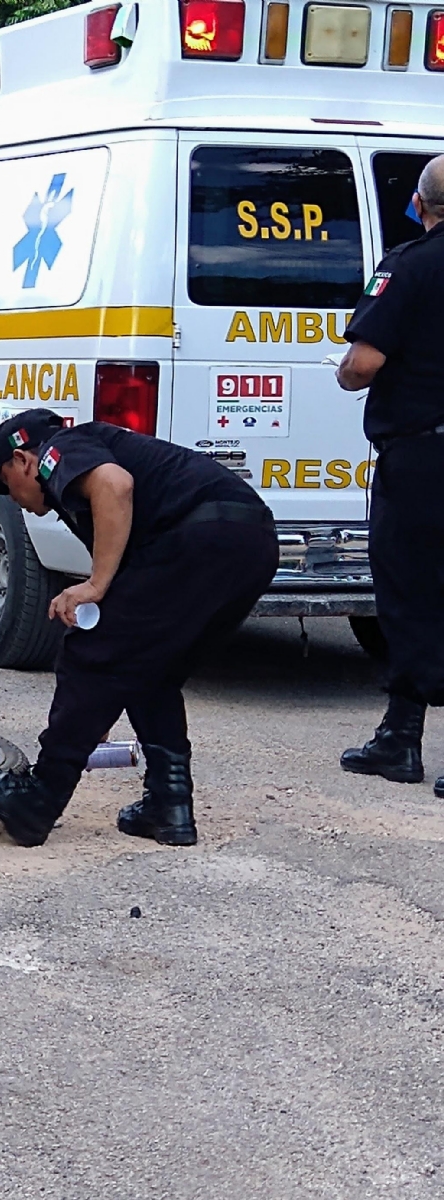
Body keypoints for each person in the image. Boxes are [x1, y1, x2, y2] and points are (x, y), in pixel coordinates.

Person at [0, 409, 278, 848]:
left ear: (23, 461)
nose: (11, 497)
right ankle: (169, 807)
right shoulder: (89, 462)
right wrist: (95, 707)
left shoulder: (60, 451)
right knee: (148, 667)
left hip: (199, 535)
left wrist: (95, 584)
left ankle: (37, 800)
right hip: (252, 543)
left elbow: (116, 485)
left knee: (88, 652)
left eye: (5, 481)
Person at [336, 155, 444, 793]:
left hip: (422, 459)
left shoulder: (409, 266)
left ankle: (401, 739)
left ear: (420, 207)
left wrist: (345, 371)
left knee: (409, 594)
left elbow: (364, 363)